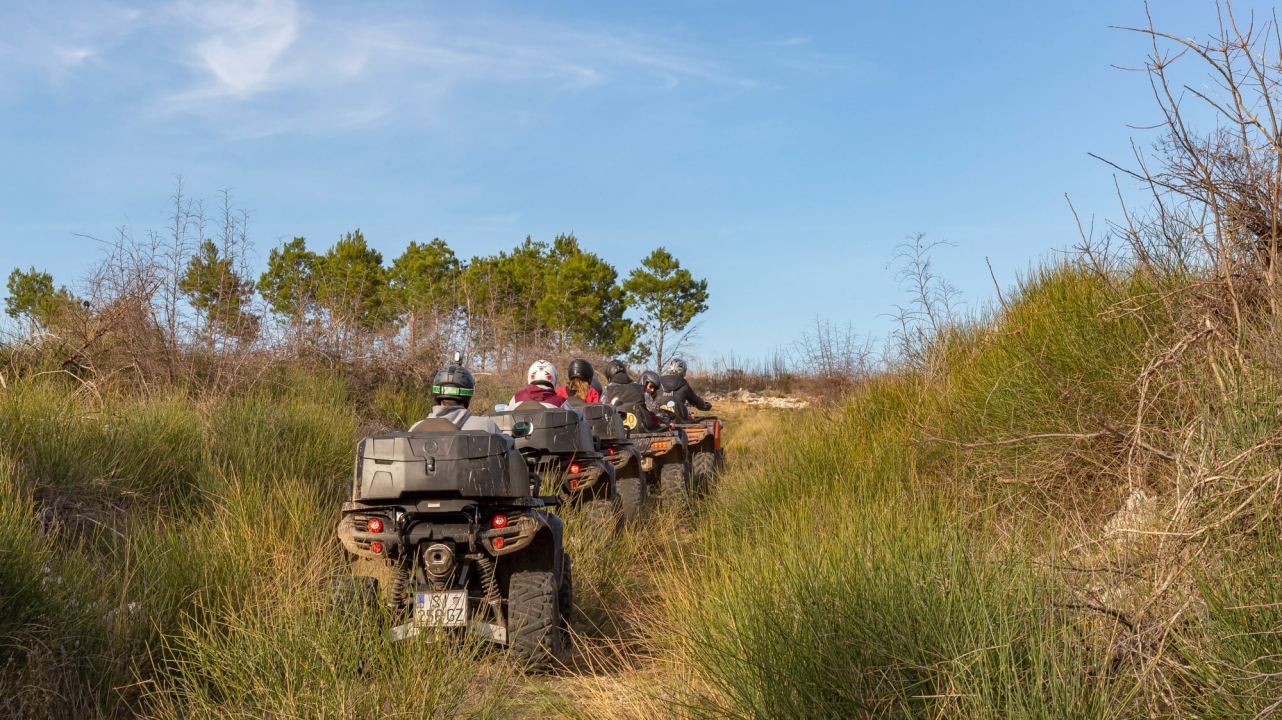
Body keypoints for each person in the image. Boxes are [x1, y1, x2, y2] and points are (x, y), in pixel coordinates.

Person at [411, 362, 505, 435]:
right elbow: (512, 457)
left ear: (436, 392)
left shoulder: (415, 429)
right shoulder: (487, 427)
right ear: (468, 393)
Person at [601, 359, 665, 425]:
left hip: (618, 428)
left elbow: (603, 410)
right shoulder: (641, 387)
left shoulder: (607, 389)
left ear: (609, 376)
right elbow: (653, 408)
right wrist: (667, 419)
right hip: (641, 428)